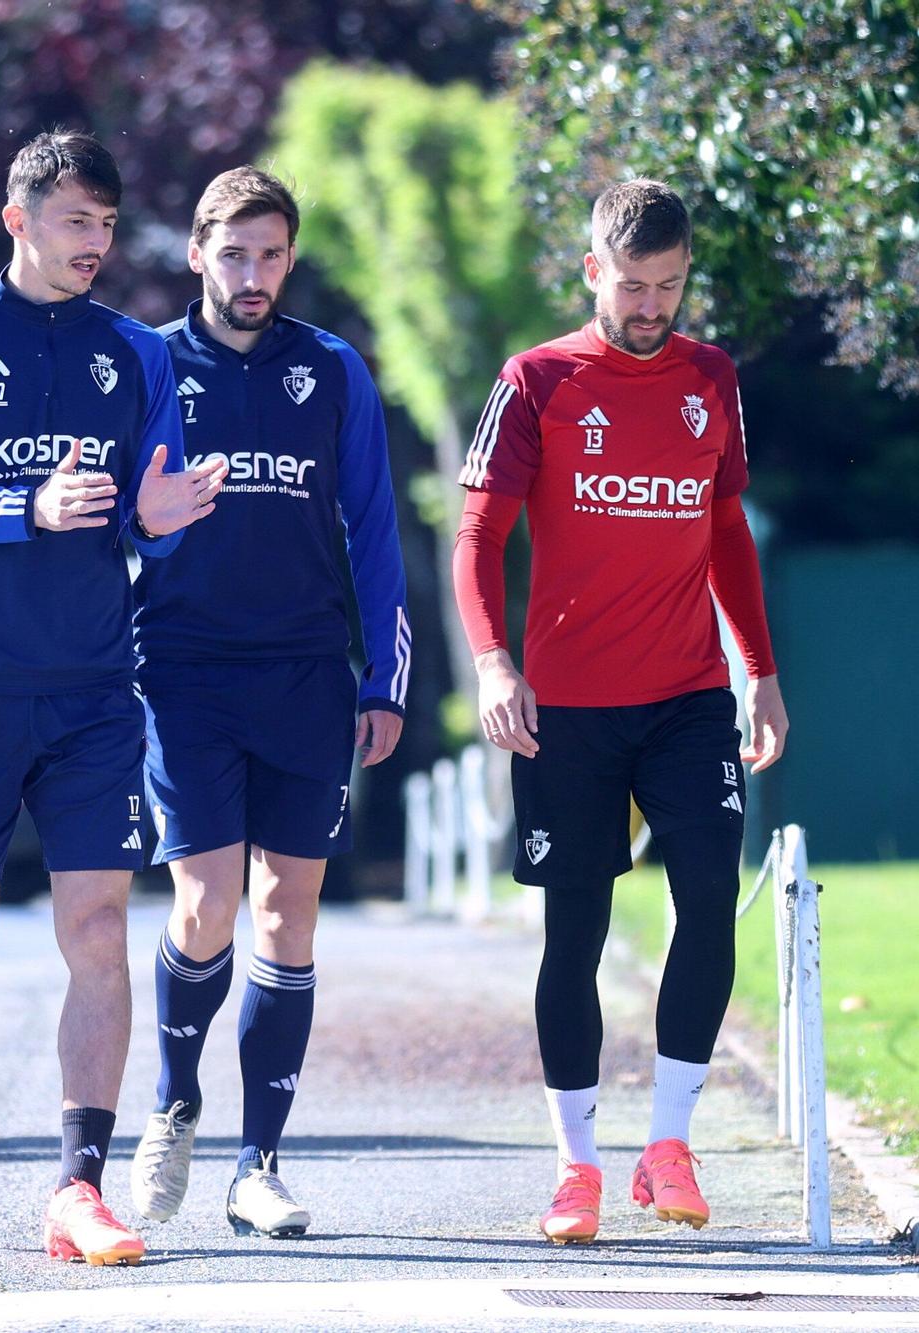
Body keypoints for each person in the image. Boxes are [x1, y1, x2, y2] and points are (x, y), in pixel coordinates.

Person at [0, 130, 228, 1266]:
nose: (96, 245)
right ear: (17, 219)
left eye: (108, 227)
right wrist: (21, 507)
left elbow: (144, 516)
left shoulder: (135, 355)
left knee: (96, 936)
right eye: (76, 222)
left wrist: (155, 525)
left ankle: (77, 1185)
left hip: (90, 692)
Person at [452, 179, 788, 1244]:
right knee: (574, 934)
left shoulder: (708, 377)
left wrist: (760, 669)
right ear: (591, 269)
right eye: (632, 285)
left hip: (688, 696)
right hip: (569, 712)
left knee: (705, 892)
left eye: (669, 286)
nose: (650, 307)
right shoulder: (535, 381)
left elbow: (723, 529)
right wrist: (493, 664)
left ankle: (668, 1141)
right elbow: (475, 539)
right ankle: (577, 1164)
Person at [125, 168, 410, 1238]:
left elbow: (373, 531)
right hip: (183, 669)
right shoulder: (146, 363)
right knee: (203, 905)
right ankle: (171, 1104)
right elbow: (105, 516)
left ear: (290, 259)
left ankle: (259, 1163)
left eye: (272, 256)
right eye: (233, 254)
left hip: (303, 675)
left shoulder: (331, 369)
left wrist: (382, 680)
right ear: (196, 252)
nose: (253, 276)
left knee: (287, 917)